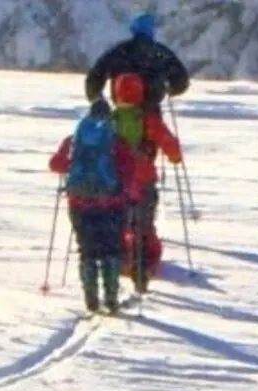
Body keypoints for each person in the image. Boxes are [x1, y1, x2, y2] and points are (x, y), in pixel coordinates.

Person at [48, 108, 139, 313]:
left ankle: (91, 298)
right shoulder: (117, 142)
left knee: (87, 250)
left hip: (79, 204)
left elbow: (56, 164)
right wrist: (131, 196)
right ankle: (111, 298)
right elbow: (130, 170)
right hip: (112, 204)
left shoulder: (73, 140)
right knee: (111, 249)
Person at [105, 73, 185, 294]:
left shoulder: (110, 120)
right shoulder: (146, 118)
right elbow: (167, 141)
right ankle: (144, 265)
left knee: (118, 221)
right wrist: (175, 156)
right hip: (143, 179)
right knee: (143, 223)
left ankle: (119, 259)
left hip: (116, 180)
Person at [83, 12, 191, 118]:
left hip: (122, 114)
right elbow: (182, 81)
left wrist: (97, 99)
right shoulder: (162, 53)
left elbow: (95, 76)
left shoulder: (119, 51)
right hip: (152, 114)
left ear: (133, 29)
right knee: (156, 135)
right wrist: (167, 87)